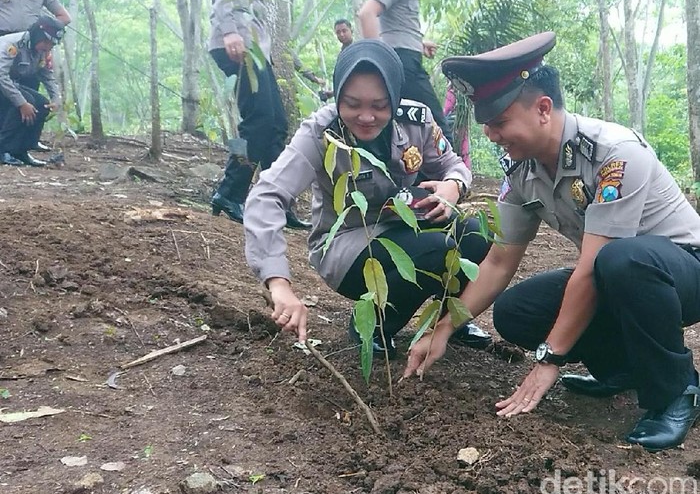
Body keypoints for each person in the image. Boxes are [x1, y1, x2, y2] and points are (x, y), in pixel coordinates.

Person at [403, 31, 700, 452]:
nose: (491, 135)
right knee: (516, 312)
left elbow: (595, 266)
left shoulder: (615, 154)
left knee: (621, 260)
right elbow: (499, 261)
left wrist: (549, 360)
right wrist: (445, 327)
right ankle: (625, 369)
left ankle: (676, 390)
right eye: (487, 124)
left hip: (682, 272)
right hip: (614, 273)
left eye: (500, 121)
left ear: (543, 108)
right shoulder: (521, 171)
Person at [244, 39, 492, 357]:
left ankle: (447, 321)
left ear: (395, 95)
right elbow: (267, 195)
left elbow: (453, 164)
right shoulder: (321, 132)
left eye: (379, 105)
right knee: (438, 251)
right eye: (352, 104)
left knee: (473, 234)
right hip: (346, 244)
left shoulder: (416, 120)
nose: (366, 116)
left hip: (404, 227)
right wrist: (278, 283)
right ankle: (373, 325)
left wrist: (453, 187)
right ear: (338, 98)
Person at [207, 0, 310, 230]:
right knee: (259, 121)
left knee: (276, 125)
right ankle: (230, 192)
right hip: (235, 41)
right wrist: (230, 30)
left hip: (256, 48)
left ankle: (277, 203)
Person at [358, 0, 453, 147]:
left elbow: (394, 27)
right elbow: (367, 13)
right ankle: (453, 172)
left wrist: (419, 45)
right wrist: (380, 62)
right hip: (402, 65)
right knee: (438, 130)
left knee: (409, 128)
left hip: (406, 59)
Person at [0, 0, 71, 152]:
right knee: (10, 100)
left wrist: (49, 35)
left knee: (33, 97)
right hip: (6, 42)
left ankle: (24, 144)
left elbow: (65, 17)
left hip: (34, 44)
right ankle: (5, 148)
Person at [0, 15, 63, 167]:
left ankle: (21, 150)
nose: (48, 47)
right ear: (38, 35)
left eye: (51, 44)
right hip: (2, 81)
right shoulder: (12, 45)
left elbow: (46, 74)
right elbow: (1, 76)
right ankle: (3, 150)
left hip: (9, 84)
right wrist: (22, 103)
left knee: (41, 104)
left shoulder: (41, 51)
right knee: (24, 102)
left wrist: (56, 98)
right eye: (46, 42)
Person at [443, 83, 470, 169]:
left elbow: (446, 109)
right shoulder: (464, 95)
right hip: (461, 126)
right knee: (464, 146)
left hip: (453, 125)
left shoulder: (452, 93)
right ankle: (466, 169)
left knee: (450, 145)